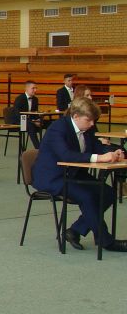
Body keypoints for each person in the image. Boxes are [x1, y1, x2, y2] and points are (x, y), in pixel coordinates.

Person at [33, 97, 127, 252]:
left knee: (108, 193)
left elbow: (97, 147)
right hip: (53, 177)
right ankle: (106, 241)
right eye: (88, 120)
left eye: (93, 120)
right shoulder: (58, 128)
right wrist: (100, 158)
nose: (92, 124)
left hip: (73, 173)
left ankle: (74, 230)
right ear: (75, 116)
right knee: (87, 196)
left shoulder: (87, 128)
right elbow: (66, 155)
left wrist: (115, 152)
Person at [7, 80, 41, 148]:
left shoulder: (35, 99)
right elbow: (18, 115)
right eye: (33, 88)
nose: (35, 90)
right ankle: (39, 148)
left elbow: (35, 113)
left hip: (29, 121)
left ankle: (48, 145)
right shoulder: (19, 99)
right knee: (30, 125)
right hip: (18, 121)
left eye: (36, 88)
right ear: (26, 88)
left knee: (47, 123)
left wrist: (37, 119)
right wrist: (33, 122)